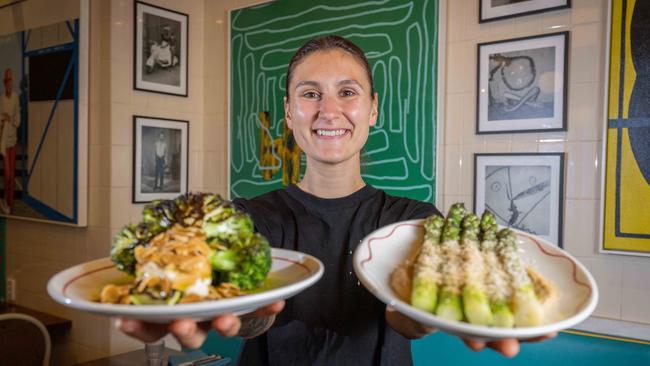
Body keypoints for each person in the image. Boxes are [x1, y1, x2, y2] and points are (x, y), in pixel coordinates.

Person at [118, 35, 555, 365]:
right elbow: (253, 321)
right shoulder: (251, 218)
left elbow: (403, 321)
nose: (329, 111)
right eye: (311, 94)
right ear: (290, 113)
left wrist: (427, 313)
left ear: (373, 109)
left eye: (347, 92)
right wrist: (222, 309)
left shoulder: (414, 221)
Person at [0, 68, 21, 214]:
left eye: (11, 82)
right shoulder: (1, 98)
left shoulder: (15, 97)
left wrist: (11, 119)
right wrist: (3, 118)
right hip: (3, 142)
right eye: (8, 81)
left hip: (13, 141)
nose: (10, 84)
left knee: (12, 175)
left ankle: (9, 204)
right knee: (7, 174)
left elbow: (18, 119)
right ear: (4, 83)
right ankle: (6, 201)